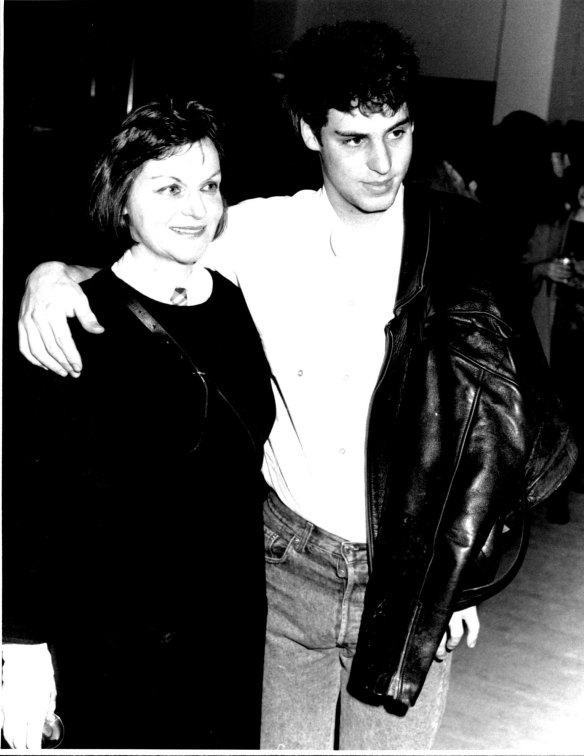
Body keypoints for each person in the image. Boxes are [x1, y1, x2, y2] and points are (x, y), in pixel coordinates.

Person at [15, 20, 576, 751]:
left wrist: (462, 570)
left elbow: (502, 415)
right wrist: (50, 275)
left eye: (398, 133)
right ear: (311, 133)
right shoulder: (257, 233)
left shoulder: (459, 243)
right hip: (282, 573)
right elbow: (150, 262)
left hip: (406, 570)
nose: (383, 164)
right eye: (354, 139)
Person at [2, 99, 275, 749]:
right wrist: (20, 644)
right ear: (122, 199)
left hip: (224, 620)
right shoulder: (75, 318)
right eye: (169, 187)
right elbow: (28, 492)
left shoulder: (232, 306)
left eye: (208, 186)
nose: (196, 207)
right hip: (109, 629)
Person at [522, 167, 584, 522]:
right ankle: (554, 492)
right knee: (556, 408)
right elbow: (523, 266)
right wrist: (543, 269)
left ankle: (570, 479)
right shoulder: (553, 221)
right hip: (557, 326)